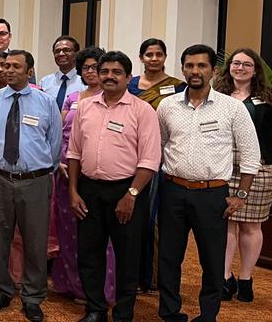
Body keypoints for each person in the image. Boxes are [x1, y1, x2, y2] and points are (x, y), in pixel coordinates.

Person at [156, 44, 260, 322]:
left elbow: (251, 155)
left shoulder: (232, 108)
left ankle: (208, 315)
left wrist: (240, 195)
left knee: (212, 260)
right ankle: (169, 312)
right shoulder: (167, 106)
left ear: (213, 70)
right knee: (168, 257)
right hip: (173, 190)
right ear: (183, 69)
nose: (195, 71)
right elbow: (161, 144)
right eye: (189, 66)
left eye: (201, 66)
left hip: (212, 194)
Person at [67, 51, 161, 322]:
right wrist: (74, 191)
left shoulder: (142, 110)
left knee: (127, 257)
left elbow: (150, 158)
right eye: (104, 71)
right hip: (89, 191)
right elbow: (74, 152)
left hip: (127, 191)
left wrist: (131, 195)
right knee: (89, 253)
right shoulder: (85, 106)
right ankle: (95, 310)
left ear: (128, 77)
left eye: (116, 72)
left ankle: (123, 313)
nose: (109, 76)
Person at [0, 50, 62, 322]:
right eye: (5, 65)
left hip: (35, 181)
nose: (9, 70)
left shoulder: (46, 102)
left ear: (29, 72)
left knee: (35, 242)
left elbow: (54, 143)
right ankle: (2, 291)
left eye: (16, 66)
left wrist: (39, 170)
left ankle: (33, 296)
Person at [216, 48, 272, 302]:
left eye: (246, 64)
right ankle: (224, 278)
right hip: (224, 168)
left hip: (259, 169)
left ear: (255, 69)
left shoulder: (269, 97)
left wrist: (264, 145)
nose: (240, 68)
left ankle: (245, 279)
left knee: (251, 225)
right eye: (236, 63)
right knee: (226, 224)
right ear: (229, 68)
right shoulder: (219, 95)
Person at [50, 47, 116, 305]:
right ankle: (70, 284)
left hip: (95, 172)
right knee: (67, 232)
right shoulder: (73, 97)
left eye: (95, 67)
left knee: (99, 235)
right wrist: (59, 161)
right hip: (67, 171)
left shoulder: (112, 98)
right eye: (86, 68)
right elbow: (59, 131)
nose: (91, 72)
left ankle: (100, 289)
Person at [129, 37, 184, 293]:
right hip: (129, 158)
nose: (153, 59)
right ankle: (130, 276)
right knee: (132, 219)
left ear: (165, 57)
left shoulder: (178, 88)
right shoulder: (128, 85)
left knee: (157, 220)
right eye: (148, 54)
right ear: (141, 58)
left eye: (158, 54)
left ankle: (153, 278)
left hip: (163, 160)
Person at [40, 35, 84, 108]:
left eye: (66, 50)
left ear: (76, 54)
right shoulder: (45, 82)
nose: (61, 54)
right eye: (57, 51)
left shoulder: (84, 82)